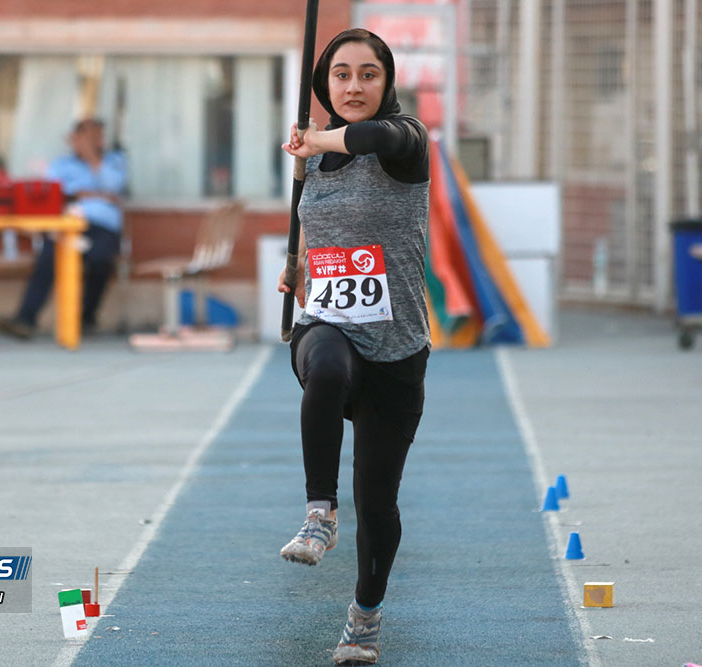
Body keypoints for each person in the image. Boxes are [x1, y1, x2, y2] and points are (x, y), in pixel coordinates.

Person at [277, 28, 430, 666]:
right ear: (324, 85)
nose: (354, 86)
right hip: (327, 327)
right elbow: (316, 232)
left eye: (368, 74)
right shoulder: (312, 159)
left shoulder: (407, 141)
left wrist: (314, 137)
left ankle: (364, 618)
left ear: (386, 81)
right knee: (327, 362)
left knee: (380, 502)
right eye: (341, 75)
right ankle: (318, 512)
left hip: (396, 349)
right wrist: (302, 266)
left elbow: (375, 138)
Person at [0, 117, 127, 339]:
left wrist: (92, 159)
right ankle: (25, 319)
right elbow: (55, 195)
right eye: (88, 137)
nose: (94, 141)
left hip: (103, 226)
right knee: (48, 256)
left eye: (98, 136)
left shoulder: (115, 160)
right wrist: (95, 194)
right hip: (66, 225)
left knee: (101, 259)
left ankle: (85, 319)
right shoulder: (61, 164)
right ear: (75, 139)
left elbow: (114, 186)